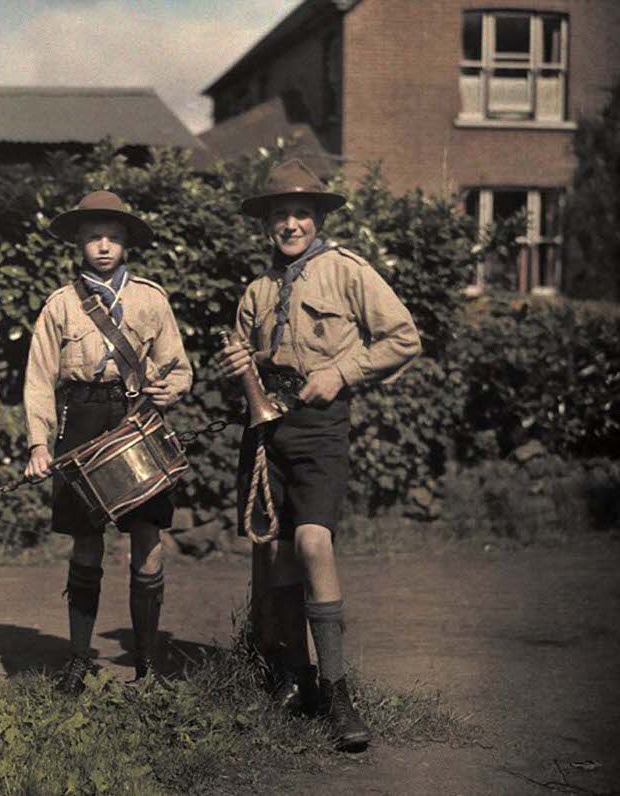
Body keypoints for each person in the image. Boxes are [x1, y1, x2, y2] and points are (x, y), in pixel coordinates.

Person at [218, 159, 421, 751]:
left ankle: (338, 690)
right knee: (277, 557)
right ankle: (294, 678)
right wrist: (239, 371)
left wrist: (341, 372)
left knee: (313, 543)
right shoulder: (255, 291)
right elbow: (247, 371)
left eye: (301, 213)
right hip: (266, 433)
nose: (290, 224)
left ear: (318, 218)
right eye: (280, 214)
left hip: (320, 427)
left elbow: (403, 336)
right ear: (267, 224)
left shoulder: (347, 271)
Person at [23, 191, 192, 694]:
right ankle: (78, 658)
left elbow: (179, 365)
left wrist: (172, 387)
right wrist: (37, 444)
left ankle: (147, 664)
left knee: (147, 538)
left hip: (139, 417)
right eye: (94, 237)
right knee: (86, 540)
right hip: (82, 418)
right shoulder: (60, 304)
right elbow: (37, 379)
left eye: (113, 238)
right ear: (79, 242)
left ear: (126, 245)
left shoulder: (150, 298)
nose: (103, 246)